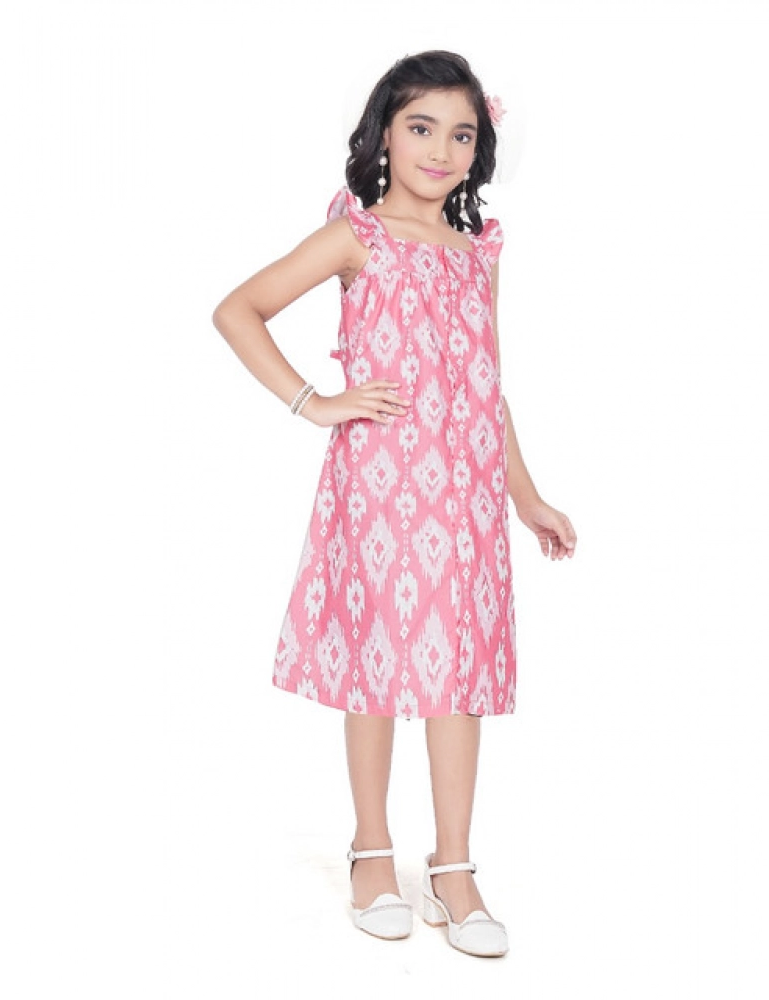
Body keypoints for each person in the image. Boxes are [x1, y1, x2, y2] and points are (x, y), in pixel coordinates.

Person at [212, 50, 577, 958]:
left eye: (462, 135)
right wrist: (316, 402)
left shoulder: (478, 253)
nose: (441, 150)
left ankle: (454, 867)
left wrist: (526, 496)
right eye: (422, 128)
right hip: (381, 483)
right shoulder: (357, 237)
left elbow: (486, 384)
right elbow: (239, 310)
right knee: (377, 654)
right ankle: (371, 849)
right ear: (384, 132)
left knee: (461, 666)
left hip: (466, 492)